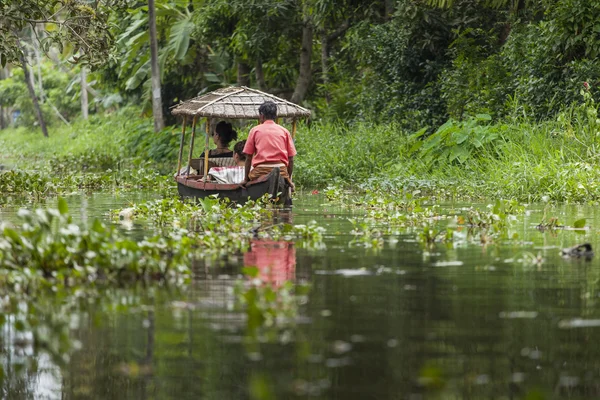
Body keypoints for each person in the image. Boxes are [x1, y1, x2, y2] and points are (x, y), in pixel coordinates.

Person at [241, 101, 296, 189]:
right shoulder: (284, 131)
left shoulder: (255, 130)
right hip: (282, 170)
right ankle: (288, 184)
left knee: (248, 184)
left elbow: (248, 157)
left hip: (260, 171)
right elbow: (291, 159)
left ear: (262, 115)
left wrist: (246, 179)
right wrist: (288, 178)